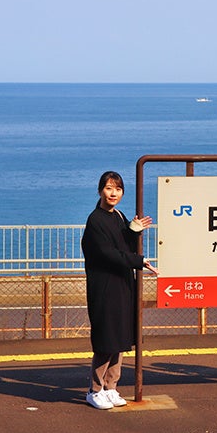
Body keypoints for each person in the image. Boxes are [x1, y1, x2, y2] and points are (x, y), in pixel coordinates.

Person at [81, 170, 158, 410]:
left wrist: (133, 230)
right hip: (105, 287)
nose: (113, 193)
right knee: (107, 338)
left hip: (123, 284)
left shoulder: (118, 216)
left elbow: (123, 244)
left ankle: (111, 387)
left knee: (123, 336)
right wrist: (139, 261)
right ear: (100, 191)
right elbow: (107, 253)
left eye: (118, 189)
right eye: (108, 188)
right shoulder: (95, 220)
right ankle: (94, 390)